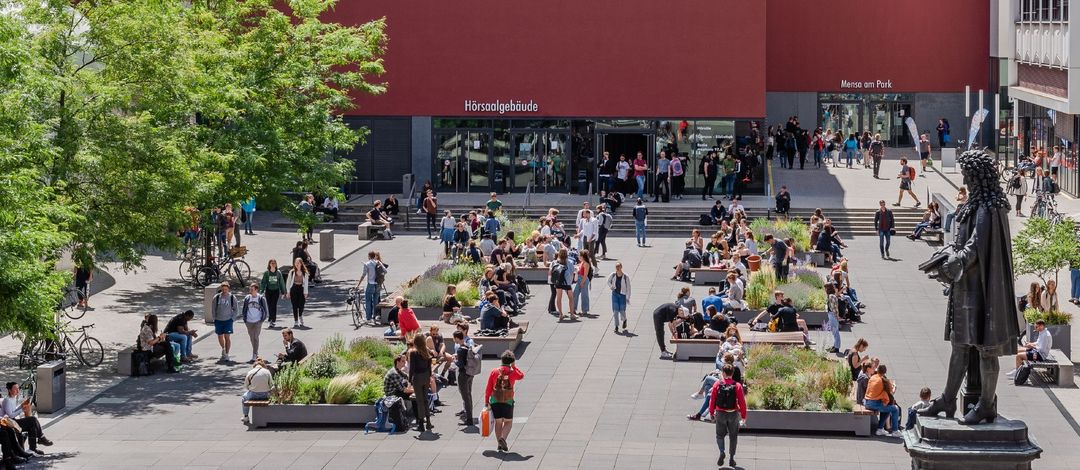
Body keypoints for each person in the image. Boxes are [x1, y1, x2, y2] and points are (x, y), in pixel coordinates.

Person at [919, 150, 1021, 425]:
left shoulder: (989, 207)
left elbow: (976, 245)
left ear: (977, 176)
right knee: (959, 344)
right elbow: (963, 242)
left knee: (986, 349)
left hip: (982, 291)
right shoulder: (973, 205)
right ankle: (948, 399)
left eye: (967, 173)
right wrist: (945, 255)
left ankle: (986, 404)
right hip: (966, 287)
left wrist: (956, 260)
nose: (963, 177)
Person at [484, 351, 525, 452]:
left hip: (495, 400)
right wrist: (514, 367)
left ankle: (499, 443)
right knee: (508, 422)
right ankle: (503, 438)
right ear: (511, 361)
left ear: (501, 360)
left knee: (498, 422)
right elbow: (521, 376)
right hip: (508, 401)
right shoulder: (513, 372)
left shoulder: (494, 371)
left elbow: (488, 388)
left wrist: (486, 401)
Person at [709, 364, 747, 468]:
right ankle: (732, 459)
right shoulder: (737, 385)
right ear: (732, 373)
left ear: (723, 373)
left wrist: (711, 413)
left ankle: (722, 452)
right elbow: (742, 402)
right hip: (733, 413)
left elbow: (712, 400)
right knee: (733, 436)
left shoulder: (717, 384)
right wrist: (743, 416)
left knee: (720, 435)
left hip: (720, 413)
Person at [2, 383, 53, 454]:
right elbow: (10, 415)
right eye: (15, 389)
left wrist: (21, 406)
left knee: (32, 426)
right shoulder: (7, 400)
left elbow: (13, 411)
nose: (17, 390)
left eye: (18, 388)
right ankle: (41, 437)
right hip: (9, 423)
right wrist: (22, 409)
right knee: (32, 420)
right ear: (10, 390)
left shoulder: (13, 398)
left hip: (13, 421)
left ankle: (33, 448)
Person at [864, 364, 901, 436]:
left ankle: (880, 429)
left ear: (877, 371)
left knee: (888, 407)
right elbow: (891, 392)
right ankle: (895, 431)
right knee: (895, 409)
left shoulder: (873, 377)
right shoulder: (883, 381)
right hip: (874, 404)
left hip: (867, 402)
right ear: (885, 372)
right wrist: (894, 387)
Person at [408, 334, 434, 433]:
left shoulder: (414, 353)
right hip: (426, 376)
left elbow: (412, 369)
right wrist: (430, 376)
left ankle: (421, 424)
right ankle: (428, 422)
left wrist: (410, 380)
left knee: (419, 401)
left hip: (418, 377)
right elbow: (429, 366)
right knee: (425, 400)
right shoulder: (426, 351)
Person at [452, 330, 477, 427]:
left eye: (454, 338)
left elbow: (461, 364)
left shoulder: (460, 349)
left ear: (457, 338)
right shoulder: (467, 346)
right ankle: (469, 416)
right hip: (470, 373)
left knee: (465, 397)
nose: (454, 339)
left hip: (463, 375)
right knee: (469, 395)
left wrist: (455, 360)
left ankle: (469, 419)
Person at [241, 283, 269, 363]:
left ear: (256, 290)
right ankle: (255, 351)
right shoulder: (247, 298)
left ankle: (255, 353)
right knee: (251, 337)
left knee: (256, 337)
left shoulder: (260, 298)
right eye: (250, 289)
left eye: (252, 289)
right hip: (249, 321)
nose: (251, 291)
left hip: (258, 320)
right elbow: (244, 309)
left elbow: (265, 309)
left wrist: (262, 319)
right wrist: (244, 318)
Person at [212, 283, 238, 361]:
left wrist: (232, 319)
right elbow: (213, 309)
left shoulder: (232, 297)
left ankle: (227, 353)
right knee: (220, 336)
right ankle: (223, 348)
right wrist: (214, 318)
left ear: (228, 289)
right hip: (218, 320)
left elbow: (236, 309)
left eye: (226, 289)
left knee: (227, 337)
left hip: (228, 320)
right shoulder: (216, 297)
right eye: (223, 289)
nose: (224, 291)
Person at [241, 358, 272, 424]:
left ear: (254, 365)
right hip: (266, 394)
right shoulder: (267, 371)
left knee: (244, 398)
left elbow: (246, 386)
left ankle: (246, 416)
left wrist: (252, 387)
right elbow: (271, 385)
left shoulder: (250, 372)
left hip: (253, 394)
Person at [356, 251, 382, 326]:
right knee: (375, 301)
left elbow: (363, 275)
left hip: (370, 284)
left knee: (368, 301)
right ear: (374, 256)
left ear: (369, 256)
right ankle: (375, 317)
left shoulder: (367, 264)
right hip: (377, 284)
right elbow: (385, 271)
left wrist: (358, 284)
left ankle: (368, 318)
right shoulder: (378, 262)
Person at [607, 262, 631, 333]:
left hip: (622, 295)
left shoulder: (626, 277)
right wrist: (611, 286)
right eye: (616, 267)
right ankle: (616, 326)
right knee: (615, 311)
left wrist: (628, 297)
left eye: (619, 267)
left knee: (622, 310)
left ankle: (624, 320)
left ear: (621, 267)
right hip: (615, 294)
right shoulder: (613, 275)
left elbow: (628, 288)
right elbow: (608, 281)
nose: (617, 268)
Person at [285, 258, 309, 328]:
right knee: (294, 306)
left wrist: (306, 292)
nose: (297, 264)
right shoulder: (292, 272)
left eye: (298, 263)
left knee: (301, 305)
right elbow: (288, 282)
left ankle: (300, 315)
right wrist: (288, 292)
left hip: (301, 289)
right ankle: (296, 321)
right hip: (294, 289)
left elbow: (306, 283)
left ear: (301, 264)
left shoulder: (305, 272)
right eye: (296, 263)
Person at [573, 249, 594, 317]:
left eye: (580, 255)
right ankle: (573, 308)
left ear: (583, 256)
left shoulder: (586, 264)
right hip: (579, 279)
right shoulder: (582, 262)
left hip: (583, 279)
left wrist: (582, 282)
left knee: (584, 295)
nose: (578, 256)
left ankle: (585, 310)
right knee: (575, 293)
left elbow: (585, 275)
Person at [825, 284, 842, 353]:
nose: (825, 290)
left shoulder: (831, 296)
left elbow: (834, 308)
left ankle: (836, 347)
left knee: (835, 332)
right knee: (834, 331)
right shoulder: (832, 296)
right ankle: (835, 346)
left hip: (832, 315)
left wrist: (836, 316)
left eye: (825, 288)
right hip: (832, 315)